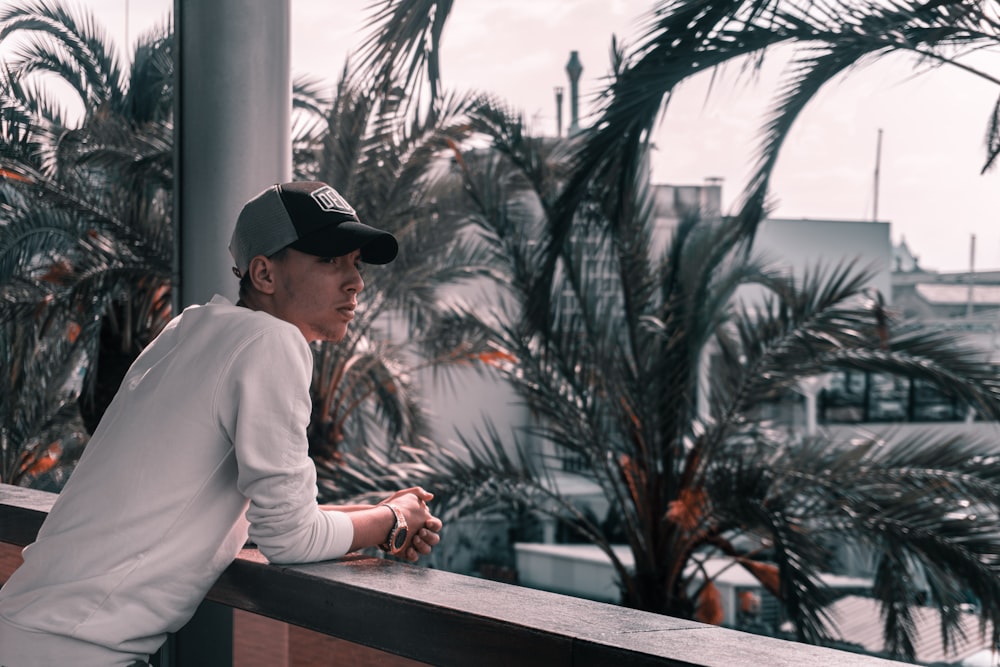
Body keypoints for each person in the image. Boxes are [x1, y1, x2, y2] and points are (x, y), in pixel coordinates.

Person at [0, 181, 442, 666]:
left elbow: (248, 513)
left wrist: (379, 512)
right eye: (330, 260)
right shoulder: (270, 341)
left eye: (356, 262)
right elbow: (290, 539)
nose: (355, 281)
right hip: (74, 653)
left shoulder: (188, 328)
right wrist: (394, 521)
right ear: (264, 274)